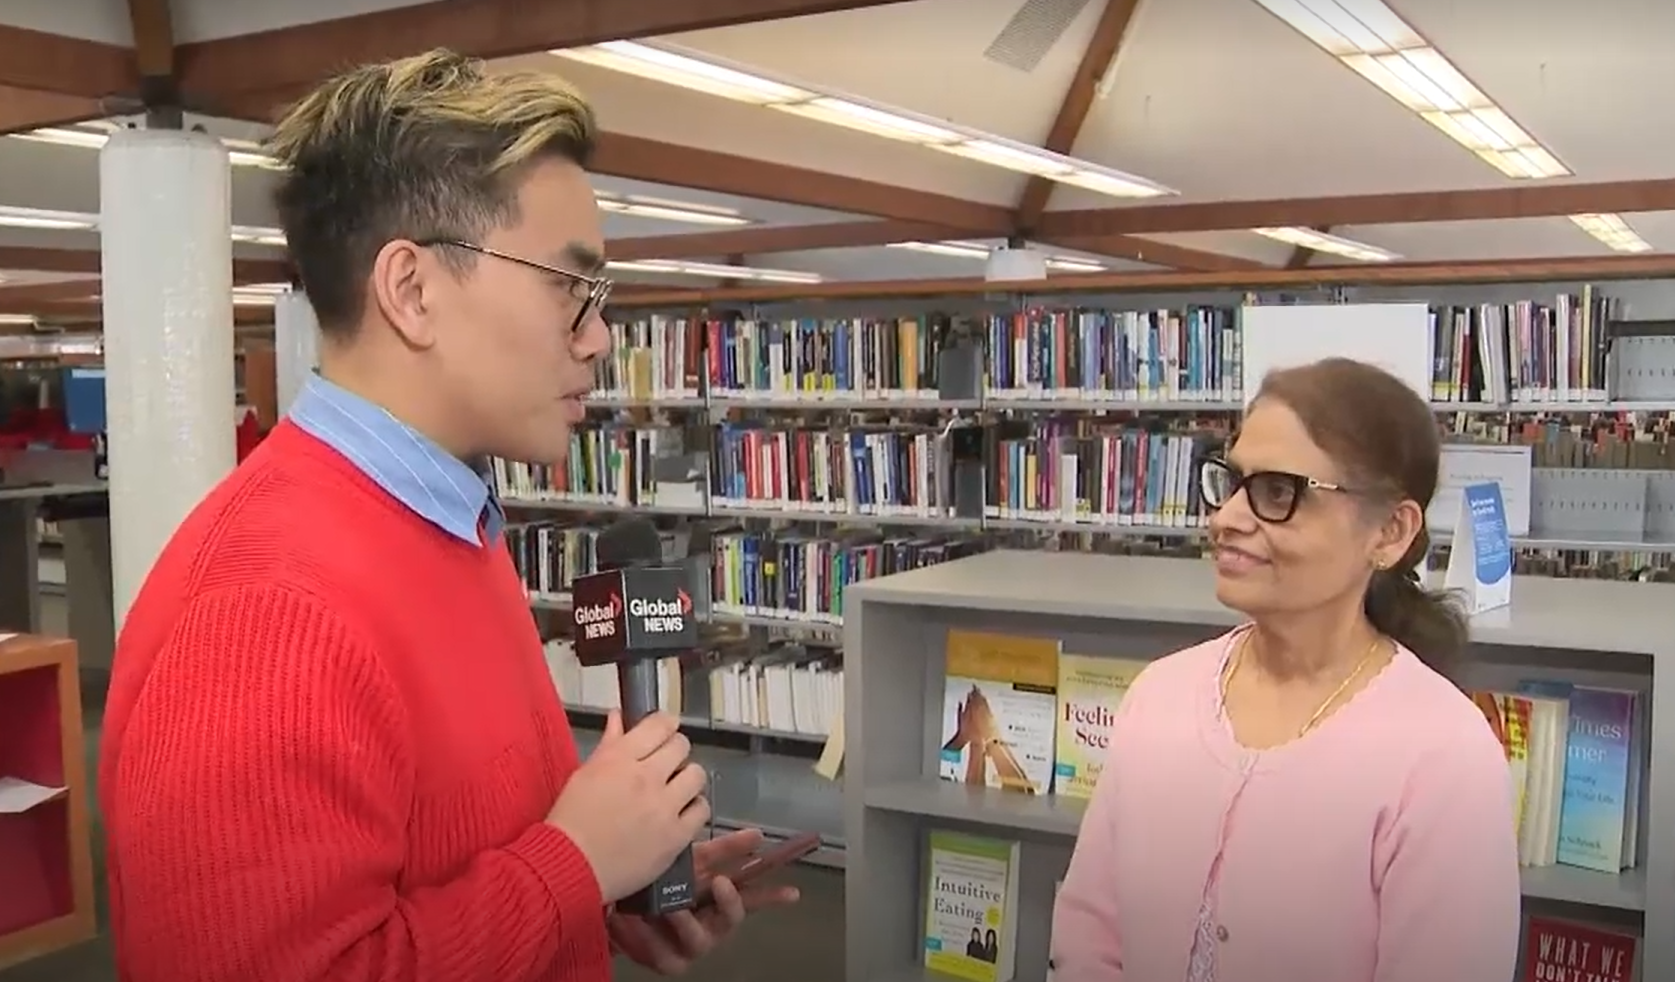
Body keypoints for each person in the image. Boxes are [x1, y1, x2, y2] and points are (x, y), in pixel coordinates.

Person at [98, 48, 796, 982]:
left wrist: (604, 895)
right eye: (568, 285)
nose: (598, 337)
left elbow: (452, 871)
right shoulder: (266, 609)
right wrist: (569, 866)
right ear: (413, 290)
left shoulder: (451, 526)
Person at [1049, 358, 1521, 982]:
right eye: (1233, 483)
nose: (1225, 520)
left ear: (1389, 531)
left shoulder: (1444, 756)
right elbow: (1088, 935)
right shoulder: (1158, 698)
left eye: (1279, 492)